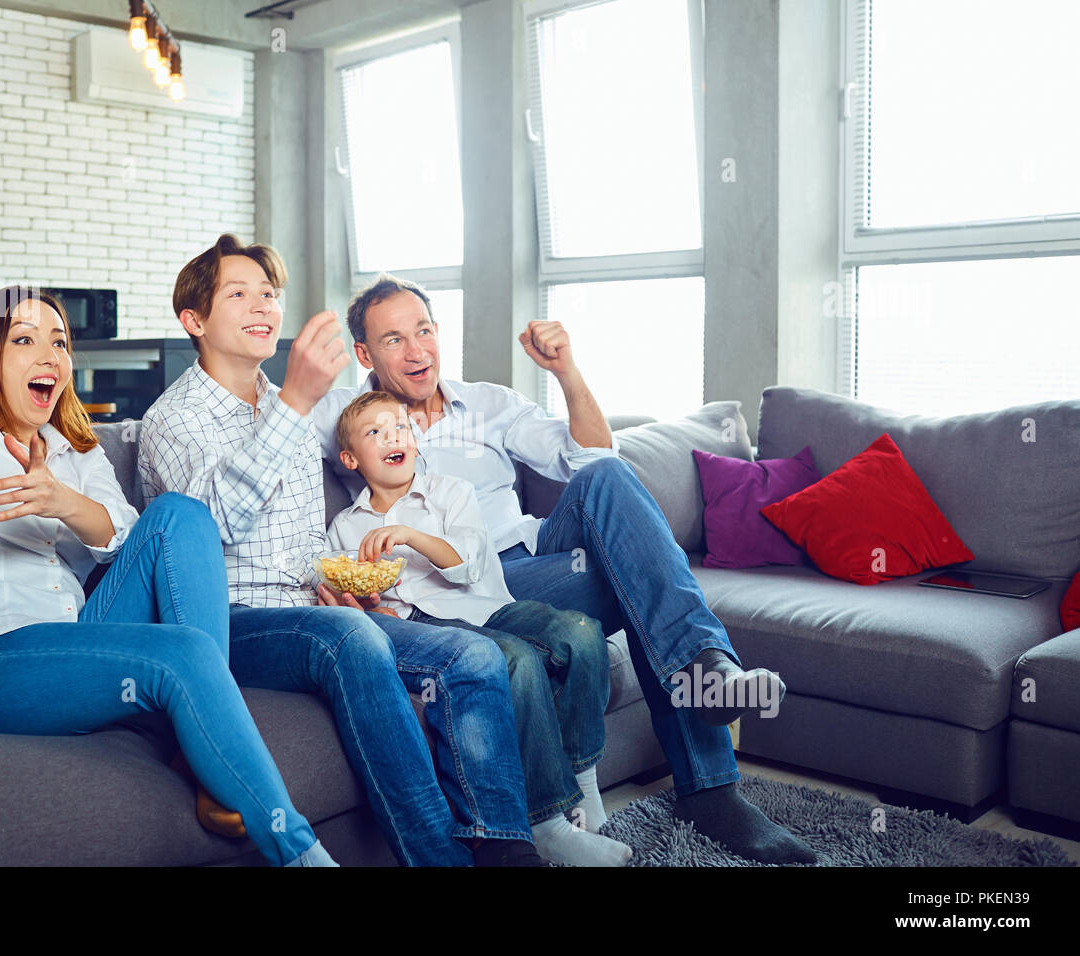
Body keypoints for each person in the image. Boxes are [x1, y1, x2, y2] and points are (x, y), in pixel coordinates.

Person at [0, 64, 334, 867]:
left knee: (178, 516)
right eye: (25, 339)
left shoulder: (79, 452)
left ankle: (210, 742)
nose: (50, 353)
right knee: (178, 654)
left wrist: (63, 502)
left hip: (77, 642)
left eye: (60, 341)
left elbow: (124, 539)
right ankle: (299, 852)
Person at [312, 274, 817, 864]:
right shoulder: (346, 417)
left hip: (540, 558)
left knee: (607, 476)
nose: (417, 350)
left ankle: (706, 671)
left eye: (423, 330)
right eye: (394, 340)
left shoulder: (491, 403)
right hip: (470, 586)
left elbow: (593, 454)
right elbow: (270, 433)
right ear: (364, 355)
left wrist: (566, 372)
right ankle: (712, 781)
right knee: (645, 590)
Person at [137, 234, 541, 866]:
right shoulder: (174, 419)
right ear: (193, 321)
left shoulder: (285, 409)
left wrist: (339, 585)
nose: (262, 306)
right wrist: (296, 398)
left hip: (311, 609)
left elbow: (307, 537)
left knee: (474, 654)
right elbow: (205, 528)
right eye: (237, 294)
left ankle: (506, 852)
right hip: (226, 624)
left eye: (268, 294)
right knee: (354, 641)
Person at [327, 390, 634, 866]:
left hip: (486, 605)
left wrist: (410, 536)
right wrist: (364, 603)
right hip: (425, 627)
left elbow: (466, 564)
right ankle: (546, 821)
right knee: (515, 659)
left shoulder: (450, 491)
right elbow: (354, 591)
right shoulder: (346, 528)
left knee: (579, 631)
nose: (394, 437)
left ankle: (583, 779)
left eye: (401, 427)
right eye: (375, 432)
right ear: (350, 458)